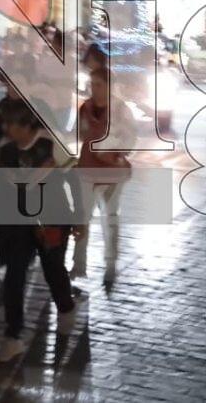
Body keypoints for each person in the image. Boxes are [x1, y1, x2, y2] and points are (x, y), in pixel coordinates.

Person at [0, 105, 82, 361]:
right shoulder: (6, 151)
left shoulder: (52, 145)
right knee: (15, 275)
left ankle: (66, 307)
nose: (6, 129)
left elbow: (74, 180)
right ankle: (13, 336)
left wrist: (79, 216)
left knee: (53, 269)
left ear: (25, 126)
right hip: (20, 222)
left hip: (53, 219)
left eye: (10, 124)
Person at [71, 67, 134, 290]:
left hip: (112, 171)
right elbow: (79, 133)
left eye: (98, 84)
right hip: (88, 168)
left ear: (109, 86)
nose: (94, 88)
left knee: (111, 217)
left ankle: (111, 264)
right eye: (92, 84)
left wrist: (113, 151)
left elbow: (130, 140)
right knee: (83, 216)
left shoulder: (121, 109)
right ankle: (78, 264)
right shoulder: (85, 107)